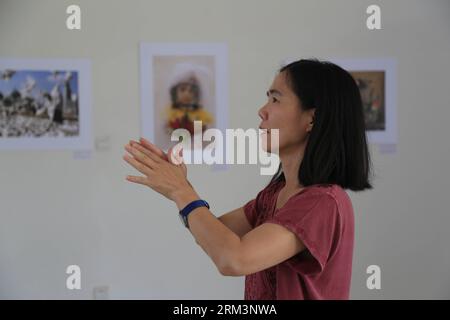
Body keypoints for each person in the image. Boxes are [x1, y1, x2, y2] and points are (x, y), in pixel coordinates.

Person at [123, 58, 372, 300]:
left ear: (312, 119)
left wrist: (181, 191)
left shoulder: (321, 202)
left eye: (275, 99)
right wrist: (180, 185)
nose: (262, 111)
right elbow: (214, 234)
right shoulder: (275, 194)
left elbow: (233, 259)